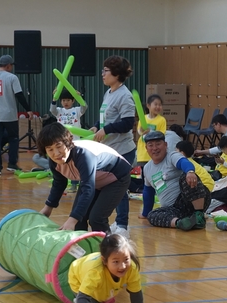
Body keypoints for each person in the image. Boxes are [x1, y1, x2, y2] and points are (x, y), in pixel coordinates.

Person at [37, 123, 132, 234]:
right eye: (50, 149)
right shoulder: (54, 162)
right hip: (94, 181)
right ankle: (84, 250)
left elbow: (88, 189)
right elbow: (59, 183)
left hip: (117, 178)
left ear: (68, 142)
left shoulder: (83, 155)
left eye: (59, 146)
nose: (56, 153)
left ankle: (110, 249)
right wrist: (48, 208)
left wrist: (72, 220)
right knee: (78, 221)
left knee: (96, 219)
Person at [69, 234, 153, 303]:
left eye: (126, 259)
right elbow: (84, 297)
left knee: (100, 298)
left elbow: (135, 291)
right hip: (77, 278)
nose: (122, 266)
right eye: (116, 262)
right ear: (104, 261)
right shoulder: (95, 272)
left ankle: (94, 301)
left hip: (98, 284)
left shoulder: (132, 268)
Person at [90, 56, 136, 238]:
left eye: (106, 71)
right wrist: (96, 126)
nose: (102, 74)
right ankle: (118, 221)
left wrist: (107, 129)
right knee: (111, 187)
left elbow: (127, 123)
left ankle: (123, 225)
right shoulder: (109, 93)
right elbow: (105, 117)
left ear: (116, 74)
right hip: (109, 149)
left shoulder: (125, 96)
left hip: (123, 149)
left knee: (118, 187)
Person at [139, 131, 211, 231]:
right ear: (146, 148)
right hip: (174, 210)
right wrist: (145, 213)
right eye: (150, 145)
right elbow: (148, 192)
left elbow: (184, 162)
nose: (154, 148)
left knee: (186, 176)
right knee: (152, 215)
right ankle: (181, 223)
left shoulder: (172, 155)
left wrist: (190, 172)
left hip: (190, 199)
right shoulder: (147, 168)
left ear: (165, 145)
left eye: (158, 144)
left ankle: (199, 216)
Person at [0, 54, 33, 176]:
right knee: (13, 139)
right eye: (11, 65)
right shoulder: (12, 78)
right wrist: (28, 109)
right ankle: (11, 164)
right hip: (9, 115)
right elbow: (19, 95)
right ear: (8, 66)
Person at [136, 94, 166, 166]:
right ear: (148, 105)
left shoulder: (162, 120)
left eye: (160, 105)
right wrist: (141, 131)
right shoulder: (143, 118)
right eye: (155, 104)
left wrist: (150, 132)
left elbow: (162, 135)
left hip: (155, 154)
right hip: (142, 155)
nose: (158, 107)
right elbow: (139, 132)